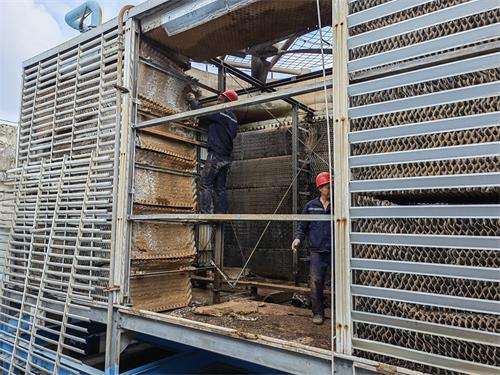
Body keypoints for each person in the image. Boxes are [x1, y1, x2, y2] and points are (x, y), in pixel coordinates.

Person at [186, 90, 239, 213]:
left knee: (205, 183)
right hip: (226, 156)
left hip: (216, 154)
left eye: (221, 98)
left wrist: (193, 100)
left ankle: (206, 213)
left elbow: (202, 112)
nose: (218, 99)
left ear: (227, 101)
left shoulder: (223, 113)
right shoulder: (233, 119)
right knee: (220, 187)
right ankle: (221, 214)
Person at [291, 172, 333, 325]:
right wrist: (297, 239)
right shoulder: (310, 207)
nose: (329, 189)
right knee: (316, 281)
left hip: (334, 250)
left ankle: (339, 312)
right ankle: (318, 313)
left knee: (338, 281)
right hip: (317, 250)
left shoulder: (337, 206)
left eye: (330, 186)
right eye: (327, 187)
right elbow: (302, 226)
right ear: (320, 188)